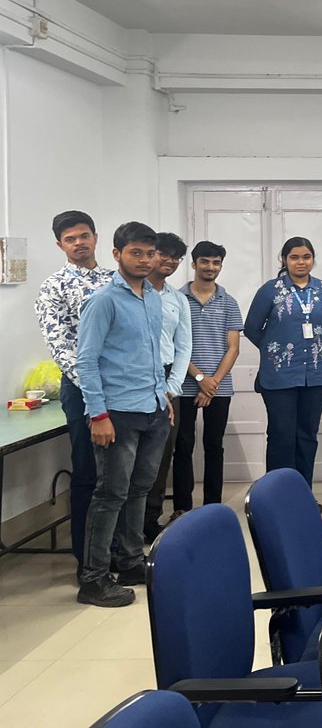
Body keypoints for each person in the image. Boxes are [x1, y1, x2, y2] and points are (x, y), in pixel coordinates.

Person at [75, 222, 170, 607]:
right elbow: (86, 360)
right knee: (110, 494)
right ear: (117, 254)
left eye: (150, 254)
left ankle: (131, 561)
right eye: (137, 253)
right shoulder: (103, 301)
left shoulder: (153, 297)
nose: (145, 260)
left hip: (152, 408)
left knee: (140, 490)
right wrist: (97, 414)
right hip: (116, 412)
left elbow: (152, 355)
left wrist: (163, 399)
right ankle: (94, 579)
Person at [34, 210, 113, 582]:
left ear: (96, 237)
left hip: (128, 388)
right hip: (83, 390)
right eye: (70, 239)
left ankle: (120, 552)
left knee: (123, 474)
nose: (79, 243)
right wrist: (98, 387)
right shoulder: (54, 287)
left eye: (84, 236)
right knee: (89, 472)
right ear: (60, 245)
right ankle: (88, 561)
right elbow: (62, 346)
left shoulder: (119, 280)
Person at [244, 237, 322, 486]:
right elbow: (252, 328)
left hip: (317, 374)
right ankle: (278, 496)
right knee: (281, 436)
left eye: (306, 257)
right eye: (295, 257)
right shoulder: (270, 290)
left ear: (313, 259)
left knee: (307, 435)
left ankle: (303, 493)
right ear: (285, 260)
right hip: (279, 377)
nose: (301, 262)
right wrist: (275, 350)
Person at [174, 241, 241, 513]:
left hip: (219, 388)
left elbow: (233, 348)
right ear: (193, 264)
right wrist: (200, 377)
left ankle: (213, 508)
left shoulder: (229, 301)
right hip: (183, 386)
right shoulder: (176, 299)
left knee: (214, 446)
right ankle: (182, 509)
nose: (210, 267)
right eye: (205, 261)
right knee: (183, 446)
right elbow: (174, 345)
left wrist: (211, 383)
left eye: (216, 262)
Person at [143, 233, 193, 542]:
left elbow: (183, 345)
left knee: (161, 456)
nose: (170, 261)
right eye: (165, 254)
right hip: (133, 379)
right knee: (133, 459)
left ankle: (150, 521)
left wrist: (172, 387)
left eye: (176, 257)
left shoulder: (178, 299)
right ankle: (127, 530)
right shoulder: (131, 292)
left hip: (168, 381)